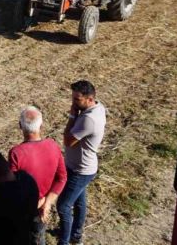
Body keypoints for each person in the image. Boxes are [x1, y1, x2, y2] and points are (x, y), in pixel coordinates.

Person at [56, 80, 106, 245]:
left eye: (77, 100)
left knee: (63, 206)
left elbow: (68, 140)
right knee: (79, 202)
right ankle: (76, 235)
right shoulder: (98, 107)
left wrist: (72, 116)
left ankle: (64, 241)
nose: (74, 103)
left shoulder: (88, 120)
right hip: (82, 167)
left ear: (90, 99)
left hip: (79, 170)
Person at [9, 106, 67, 245]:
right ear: (41, 125)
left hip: (23, 210)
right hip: (41, 210)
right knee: (38, 237)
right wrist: (46, 203)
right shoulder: (53, 146)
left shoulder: (16, 153)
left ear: (20, 126)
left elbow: (12, 187)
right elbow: (62, 178)